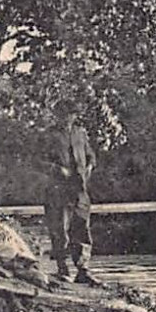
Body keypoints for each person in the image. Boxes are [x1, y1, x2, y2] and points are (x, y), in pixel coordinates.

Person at [44, 105, 98, 285]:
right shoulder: (49, 134)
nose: (66, 117)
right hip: (58, 189)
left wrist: (89, 167)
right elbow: (37, 160)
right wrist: (57, 169)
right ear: (57, 115)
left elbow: (90, 155)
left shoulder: (80, 133)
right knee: (59, 228)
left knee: (82, 226)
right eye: (63, 114)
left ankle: (83, 269)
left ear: (74, 115)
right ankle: (63, 268)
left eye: (70, 114)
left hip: (79, 188)